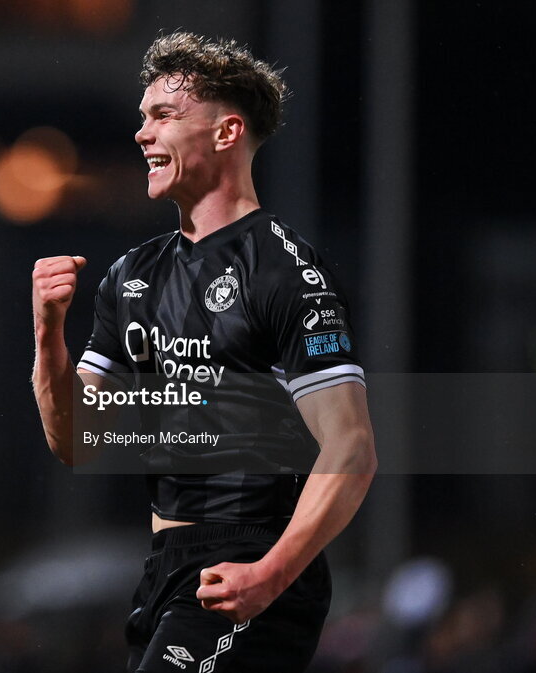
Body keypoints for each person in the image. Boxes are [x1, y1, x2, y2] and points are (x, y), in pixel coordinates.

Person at [32, 31, 376, 673]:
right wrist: (49, 333)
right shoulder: (133, 276)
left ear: (226, 133)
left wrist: (270, 575)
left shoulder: (283, 272)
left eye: (163, 115)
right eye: (143, 118)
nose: (142, 134)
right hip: (165, 569)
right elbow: (76, 440)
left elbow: (352, 446)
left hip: (251, 562)